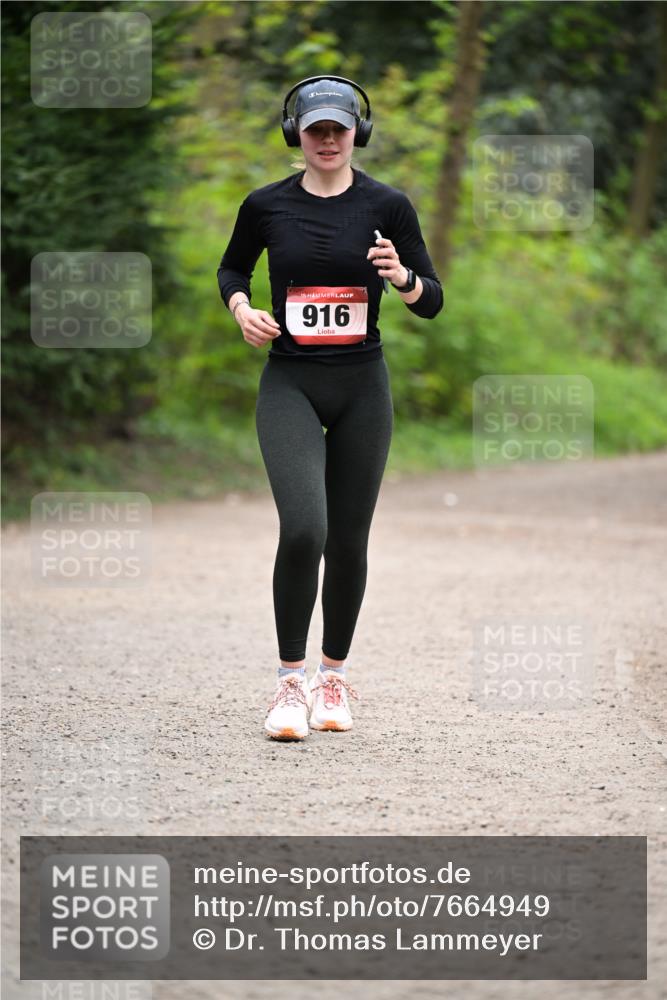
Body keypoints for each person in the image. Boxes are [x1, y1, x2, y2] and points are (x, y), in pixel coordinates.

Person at [217, 76, 443, 741]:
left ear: (356, 134)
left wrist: (400, 278)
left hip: (361, 389)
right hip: (289, 382)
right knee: (304, 529)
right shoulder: (264, 205)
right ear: (295, 133)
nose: (324, 140)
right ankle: (290, 686)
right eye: (313, 129)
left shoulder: (389, 205)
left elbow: (431, 298)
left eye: (336, 129)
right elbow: (232, 269)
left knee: (347, 540)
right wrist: (241, 310)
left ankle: (332, 676)